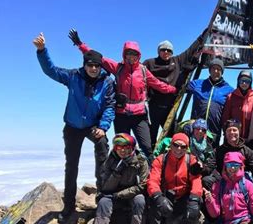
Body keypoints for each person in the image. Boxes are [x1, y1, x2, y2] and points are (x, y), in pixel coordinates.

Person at [33, 32, 115, 223]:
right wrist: (42, 51)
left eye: (96, 65)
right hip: (72, 127)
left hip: (92, 126)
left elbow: (110, 106)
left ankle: (101, 199)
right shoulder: (73, 76)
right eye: (90, 65)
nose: (93, 68)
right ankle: (68, 205)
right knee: (71, 166)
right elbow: (51, 71)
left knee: (102, 150)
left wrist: (103, 126)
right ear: (84, 65)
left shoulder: (107, 82)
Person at [68, 29, 176, 161]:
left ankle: (151, 175)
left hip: (139, 116)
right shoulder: (118, 67)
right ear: (124, 55)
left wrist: (173, 89)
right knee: (121, 146)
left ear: (139, 56)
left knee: (147, 147)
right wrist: (80, 44)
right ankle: (121, 176)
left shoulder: (143, 70)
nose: (131, 57)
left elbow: (157, 84)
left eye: (134, 54)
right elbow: (97, 58)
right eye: (128, 54)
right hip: (121, 114)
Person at [85, 134, 148, 224]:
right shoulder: (111, 160)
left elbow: (143, 185)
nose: (123, 150)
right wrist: (118, 170)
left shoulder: (141, 160)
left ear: (132, 147)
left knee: (140, 200)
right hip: (111, 195)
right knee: (103, 203)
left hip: (130, 195)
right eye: (119, 147)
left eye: (127, 147)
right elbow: (105, 186)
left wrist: (119, 195)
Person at [143, 32, 206, 148]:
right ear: (158, 51)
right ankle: (150, 161)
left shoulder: (177, 61)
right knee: (150, 137)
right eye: (163, 49)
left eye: (169, 50)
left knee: (172, 137)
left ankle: (168, 159)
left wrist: (204, 34)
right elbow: (138, 76)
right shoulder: (149, 63)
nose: (166, 52)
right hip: (153, 107)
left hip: (170, 108)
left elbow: (190, 50)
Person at [147, 133, 203, 224]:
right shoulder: (161, 160)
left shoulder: (191, 160)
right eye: (176, 145)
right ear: (170, 145)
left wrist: (194, 199)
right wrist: (158, 197)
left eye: (183, 147)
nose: (179, 149)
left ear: (187, 148)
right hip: (166, 194)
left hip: (183, 196)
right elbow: (153, 180)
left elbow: (196, 181)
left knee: (195, 205)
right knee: (153, 199)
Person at [202, 119, 253, 191]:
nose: (232, 132)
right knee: (206, 180)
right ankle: (215, 200)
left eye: (234, 130)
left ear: (239, 132)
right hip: (223, 180)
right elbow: (209, 167)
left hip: (241, 181)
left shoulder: (247, 151)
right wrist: (201, 168)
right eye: (229, 130)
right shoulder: (218, 150)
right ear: (225, 133)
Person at [187, 58, 234, 147]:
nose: (216, 71)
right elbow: (181, 85)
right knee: (193, 157)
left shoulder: (229, 90)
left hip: (214, 132)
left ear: (222, 71)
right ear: (209, 70)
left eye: (219, 69)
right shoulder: (197, 84)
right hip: (196, 129)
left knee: (210, 159)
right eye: (213, 68)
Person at [221, 70, 253, 139]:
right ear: (238, 81)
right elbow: (225, 117)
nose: (244, 83)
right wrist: (226, 133)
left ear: (250, 83)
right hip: (233, 138)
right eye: (242, 80)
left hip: (249, 137)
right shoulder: (231, 96)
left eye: (247, 81)